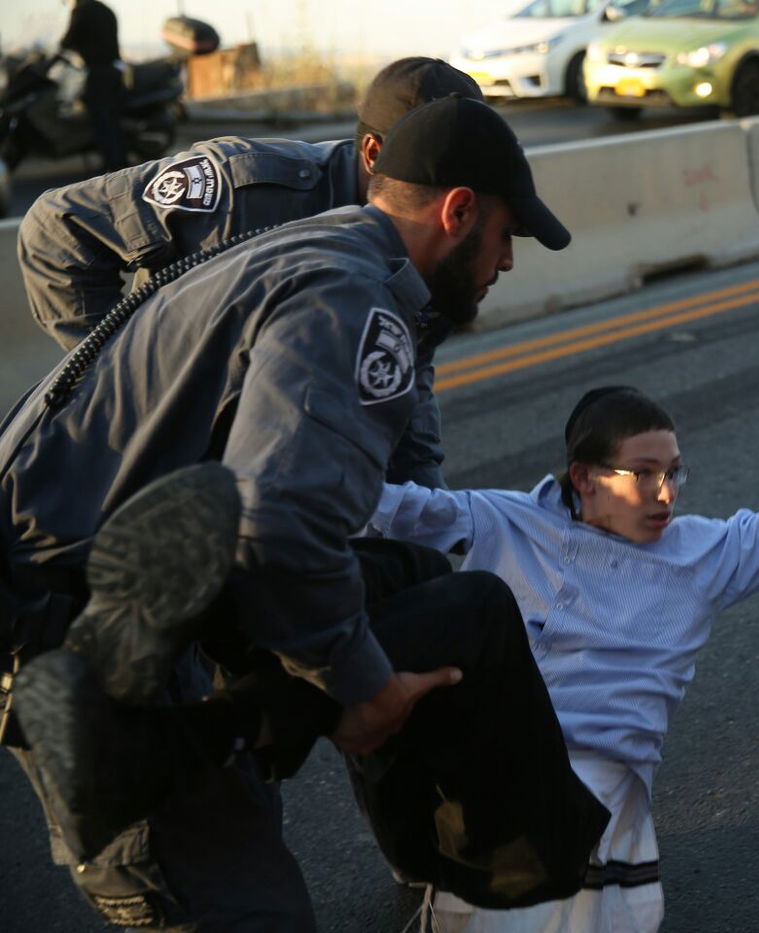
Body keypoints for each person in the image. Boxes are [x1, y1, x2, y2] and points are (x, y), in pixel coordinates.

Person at [2, 95, 607, 930]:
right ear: (457, 210)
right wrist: (361, 690)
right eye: (507, 235)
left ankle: (485, 858)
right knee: (249, 909)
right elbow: (281, 529)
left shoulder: (319, 248)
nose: (506, 262)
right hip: (76, 627)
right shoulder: (354, 300)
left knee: (436, 590)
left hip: (132, 583)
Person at [365, 376, 759, 932]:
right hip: (490, 765)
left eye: (675, 472)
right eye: (644, 474)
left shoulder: (705, 555)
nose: (666, 494)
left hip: (601, 779)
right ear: (584, 477)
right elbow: (383, 508)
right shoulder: (505, 521)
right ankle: (414, 843)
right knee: (372, 610)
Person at [18, 54, 480, 486]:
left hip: (271, 462)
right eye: (435, 176)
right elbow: (57, 226)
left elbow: (404, 381)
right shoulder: (250, 191)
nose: (452, 205)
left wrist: (428, 506)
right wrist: (131, 388)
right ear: (375, 153)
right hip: (139, 471)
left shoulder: (434, 238)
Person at [59, 0, 126, 172]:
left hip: (98, 73)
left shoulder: (81, 11)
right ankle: (118, 162)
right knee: (111, 119)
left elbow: (68, 40)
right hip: (113, 70)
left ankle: (113, 165)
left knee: (102, 120)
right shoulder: (103, 9)